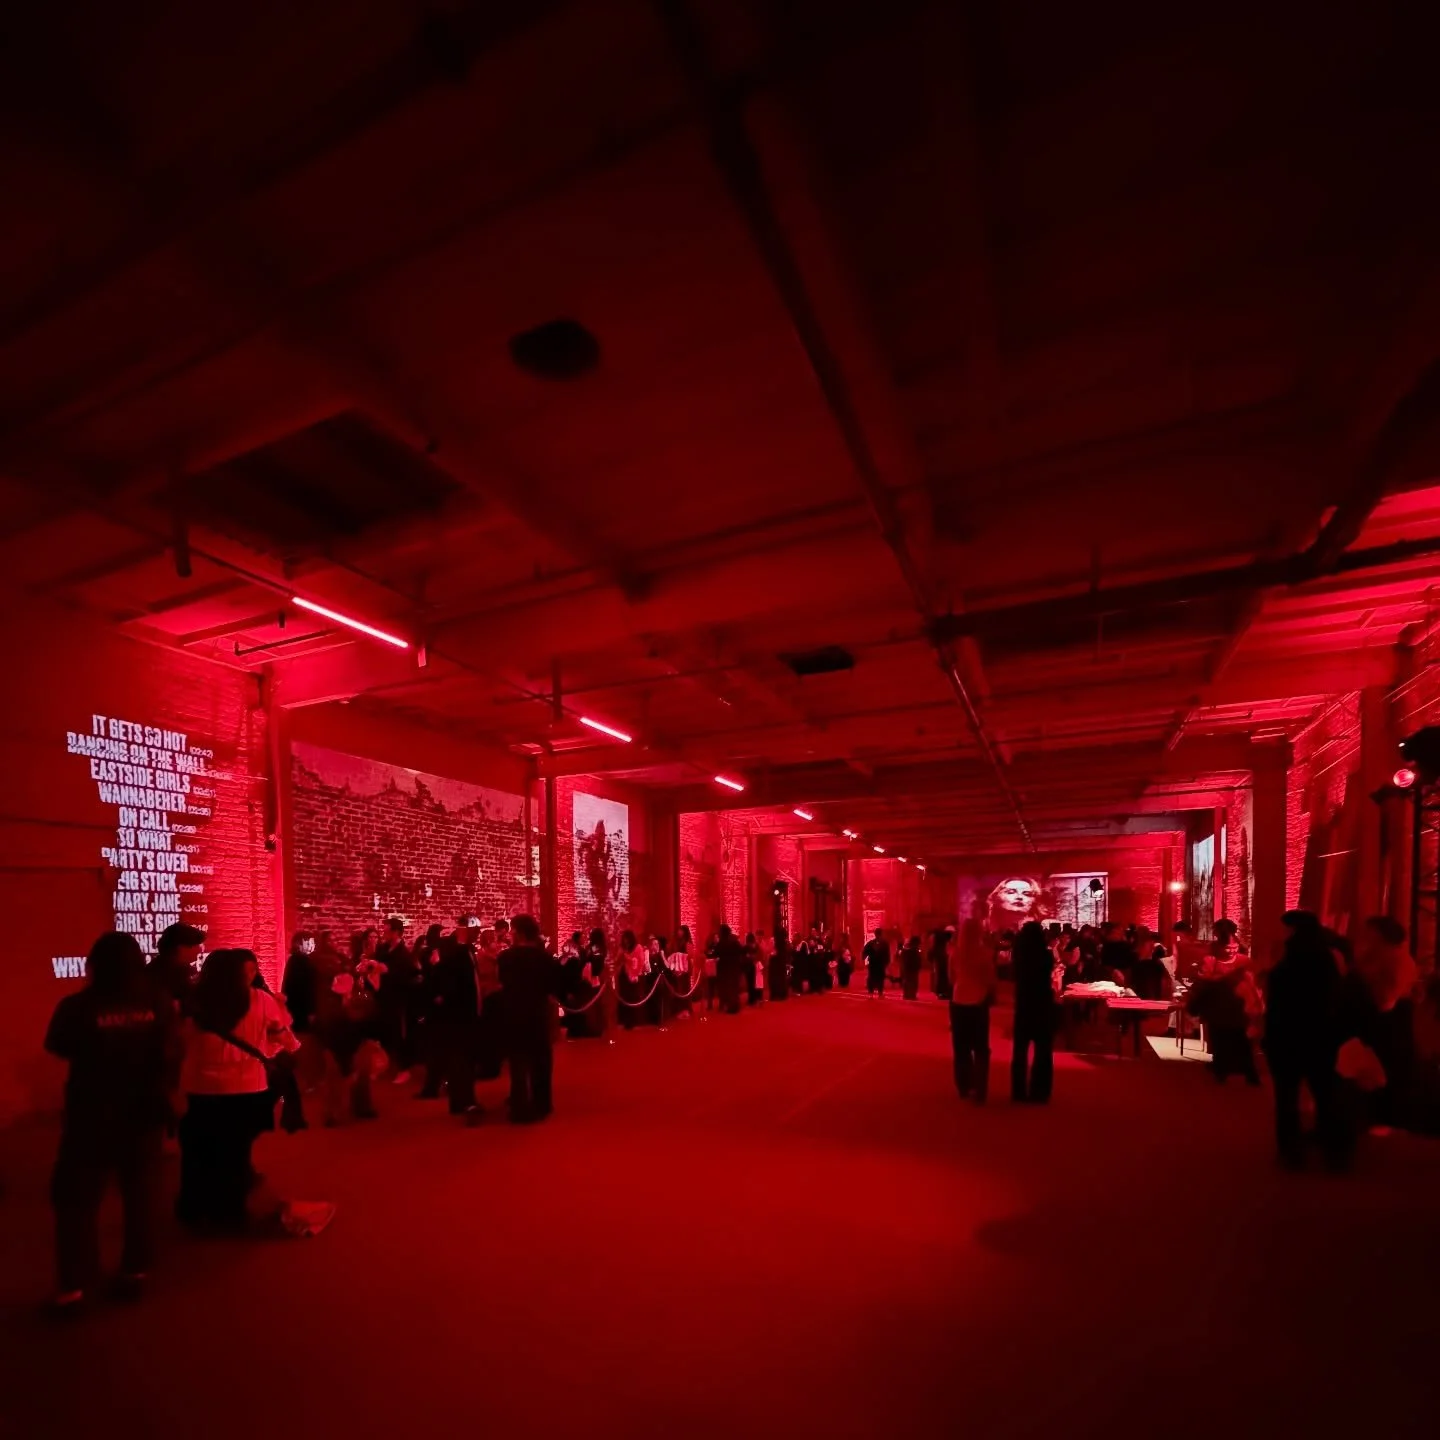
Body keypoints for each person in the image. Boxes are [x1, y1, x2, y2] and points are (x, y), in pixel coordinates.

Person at [45, 932, 177, 1310]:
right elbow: (171, 1050)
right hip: (144, 1111)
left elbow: (57, 1046)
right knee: (140, 1194)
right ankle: (135, 1271)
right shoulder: (157, 1002)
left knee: (76, 1201)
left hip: (91, 1113)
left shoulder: (78, 1006)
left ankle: (74, 1286)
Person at [177, 948, 297, 1231]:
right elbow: (281, 1031)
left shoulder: (194, 1001)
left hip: (200, 1085)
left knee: (199, 1149)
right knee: (235, 1151)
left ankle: (194, 1209)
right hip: (246, 1085)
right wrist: (290, 1046)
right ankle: (229, 1211)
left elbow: (182, 1041)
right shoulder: (260, 1000)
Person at [1264, 912, 1346, 1170]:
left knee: (1287, 1096)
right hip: (1321, 1035)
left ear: (1293, 929)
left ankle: (1292, 1151)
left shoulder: (1289, 959)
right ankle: (1335, 1152)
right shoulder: (1327, 957)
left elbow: (1278, 1000)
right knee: (1325, 1094)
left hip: (1288, 1035)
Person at [498, 915, 561, 1123]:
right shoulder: (544, 958)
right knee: (541, 1060)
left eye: (513, 930)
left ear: (520, 933)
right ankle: (542, 1104)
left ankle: (519, 1106)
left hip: (514, 1014)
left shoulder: (506, 958)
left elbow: (503, 983)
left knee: (518, 1062)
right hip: (537, 1014)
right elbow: (553, 985)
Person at [425, 916, 483, 1120]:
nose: (478, 933)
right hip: (459, 1015)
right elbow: (444, 980)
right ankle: (466, 1102)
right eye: (475, 929)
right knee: (461, 1060)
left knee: (463, 1060)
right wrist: (443, 998)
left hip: (467, 1013)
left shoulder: (467, 950)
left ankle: (461, 1101)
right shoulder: (451, 951)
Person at [949, 925, 997, 1102]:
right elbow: (990, 979)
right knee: (981, 1047)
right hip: (978, 1001)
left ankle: (963, 1085)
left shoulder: (955, 953)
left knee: (961, 1047)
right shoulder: (984, 954)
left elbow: (951, 977)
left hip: (958, 1000)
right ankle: (980, 1088)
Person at [1011, 922, 1055, 1103]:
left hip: (1024, 1003)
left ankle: (1018, 1090)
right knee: (1043, 1050)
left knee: (1020, 1050)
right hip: (1042, 1003)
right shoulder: (1046, 956)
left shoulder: (1019, 956)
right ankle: (1040, 1091)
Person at [376, 916, 421, 1083]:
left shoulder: (404, 954)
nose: (384, 933)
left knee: (399, 1035)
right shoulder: (384, 949)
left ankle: (404, 1068)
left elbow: (407, 977)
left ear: (396, 932)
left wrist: (388, 971)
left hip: (398, 1001)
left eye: (387, 930)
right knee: (386, 1034)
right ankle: (388, 1065)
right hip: (384, 998)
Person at [148, 921, 205, 1015]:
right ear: (181, 948)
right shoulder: (165, 975)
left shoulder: (186, 971)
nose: (199, 949)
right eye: (196, 945)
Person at [715, 925, 746, 1013]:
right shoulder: (734, 942)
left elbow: (716, 953)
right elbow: (741, 951)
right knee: (734, 988)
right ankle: (734, 1006)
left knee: (726, 988)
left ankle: (729, 1006)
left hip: (724, 968)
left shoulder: (721, 943)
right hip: (735, 967)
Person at [863, 929, 889, 998]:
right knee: (880, 978)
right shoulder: (884, 943)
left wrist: (864, 958)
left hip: (872, 963)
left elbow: (865, 951)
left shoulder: (871, 943)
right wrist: (887, 962)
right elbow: (887, 954)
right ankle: (880, 993)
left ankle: (871, 993)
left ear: (875, 934)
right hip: (880, 963)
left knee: (872, 977)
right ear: (881, 934)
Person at [930, 927, 953, 1000]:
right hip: (943, 958)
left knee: (940, 975)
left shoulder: (938, 941)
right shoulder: (944, 941)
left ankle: (940, 991)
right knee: (943, 975)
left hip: (940, 958)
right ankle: (943, 992)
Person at [900, 935, 923, 1000]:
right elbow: (917, 959)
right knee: (913, 982)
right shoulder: (914, 950)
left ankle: (907, 995)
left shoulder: (906, 948)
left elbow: (903, 958)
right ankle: (911, 995)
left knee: (907, 981)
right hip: (912, 968)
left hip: (907, 967)